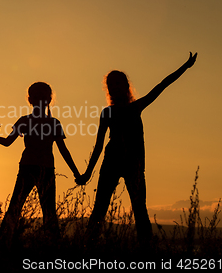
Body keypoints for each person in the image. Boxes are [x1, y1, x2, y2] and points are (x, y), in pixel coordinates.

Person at [76, 52, 198, 245]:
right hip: (111, 163)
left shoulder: (136, 107)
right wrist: (87, 173)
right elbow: (99, 145)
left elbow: (162, 86)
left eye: (118, 83)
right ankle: (86, 248)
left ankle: (146, 250)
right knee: (99, 208)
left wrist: (185, 67)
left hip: (133, 164)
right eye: (111, 85)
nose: (114, 87)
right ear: (108, 89)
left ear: (126, 87)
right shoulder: (107, 113)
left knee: (140, 209)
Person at [0, 82, 81, 241]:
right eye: (37, 97)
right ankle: (2, 243)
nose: (40, 100)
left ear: (49, 100)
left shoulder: (53, 123)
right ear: (30, 99)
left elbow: (63, 150)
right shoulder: (25, 121)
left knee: (48, 211)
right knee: (16, 207)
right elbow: (7, 142)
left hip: (45, 170)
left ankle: (52, 245)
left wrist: (76, 172)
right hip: (28, 168)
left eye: (43, 97)